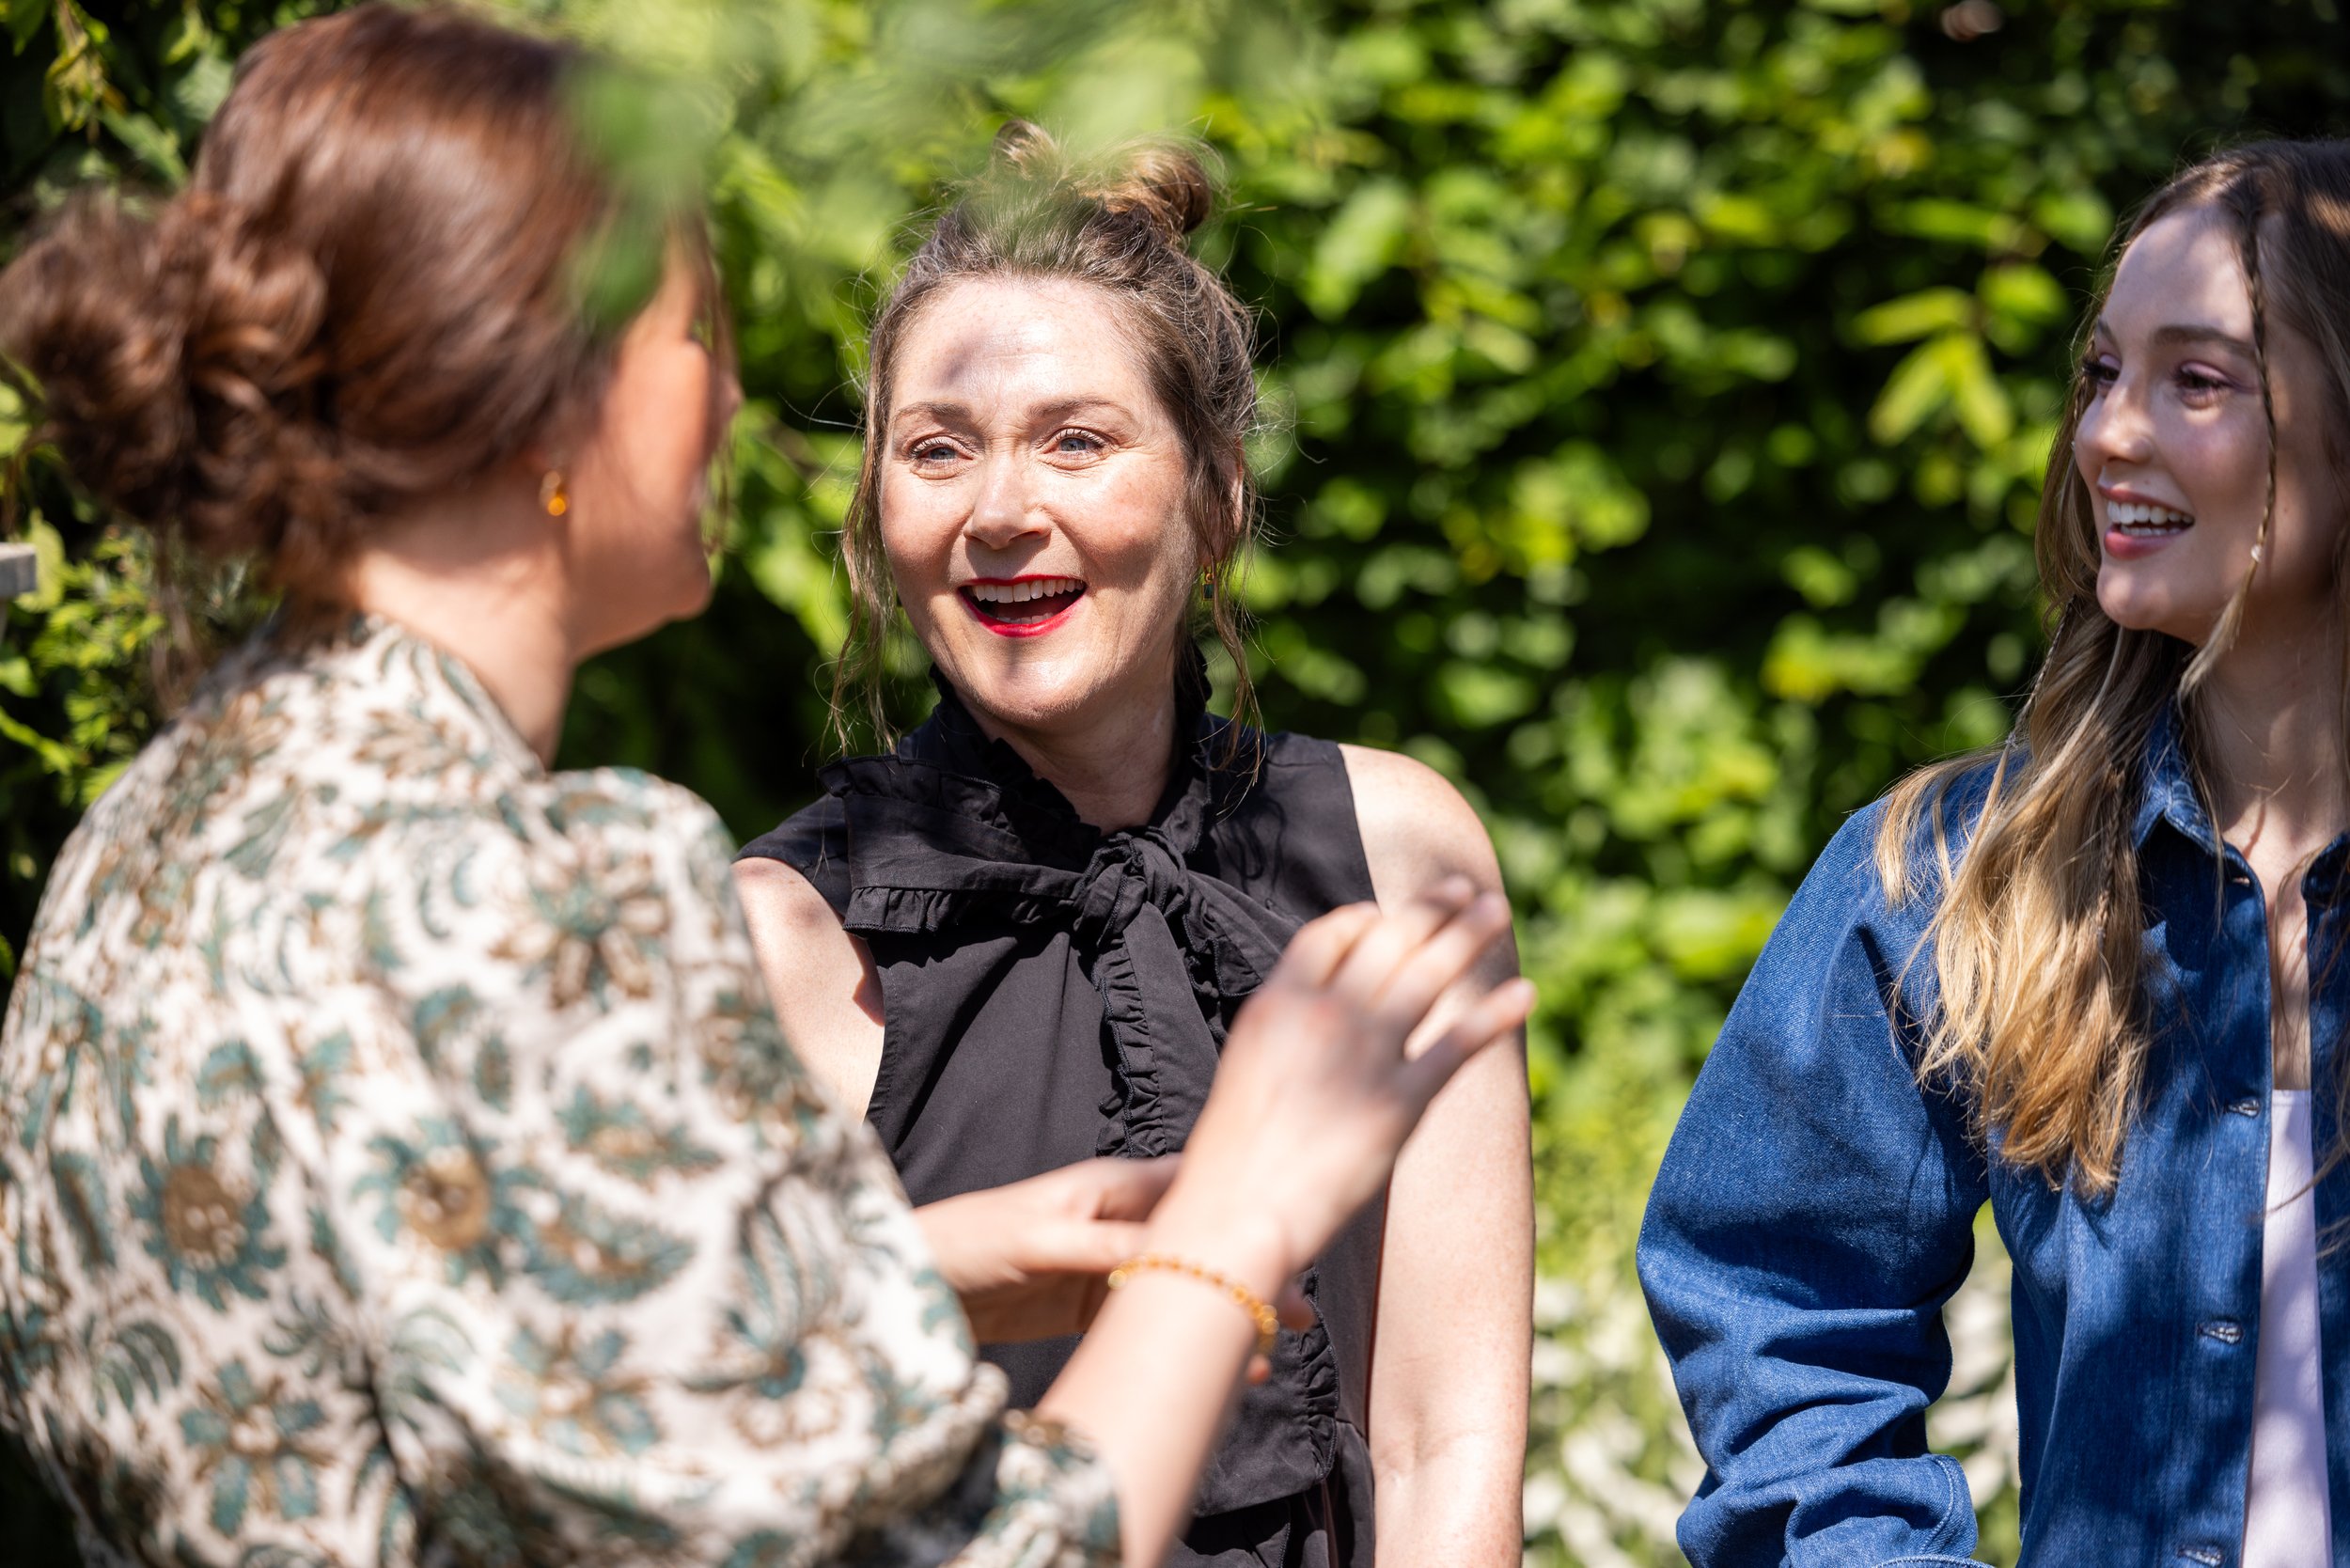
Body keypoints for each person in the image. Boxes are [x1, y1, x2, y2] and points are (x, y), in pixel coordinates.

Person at [0, 10, 1536, 1568]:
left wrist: (891, 1266)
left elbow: (498, 1377)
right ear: (555, 391)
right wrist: (1241, 1212)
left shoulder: (144, 838)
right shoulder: (547, 895)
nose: (731, 400)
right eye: (695, 331)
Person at [731, 125, 1534, 1566]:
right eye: (938, 451)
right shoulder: (780, 938)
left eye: (1077, 441)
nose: (1000, 513)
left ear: (1216, 495)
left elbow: (1445, 1439)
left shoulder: (1400, 852)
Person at [1639, 139, 2350, 1567]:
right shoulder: (1958, 875)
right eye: (2102, 375)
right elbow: (1772, 1297)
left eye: (2193, 381)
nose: (2107, 436)